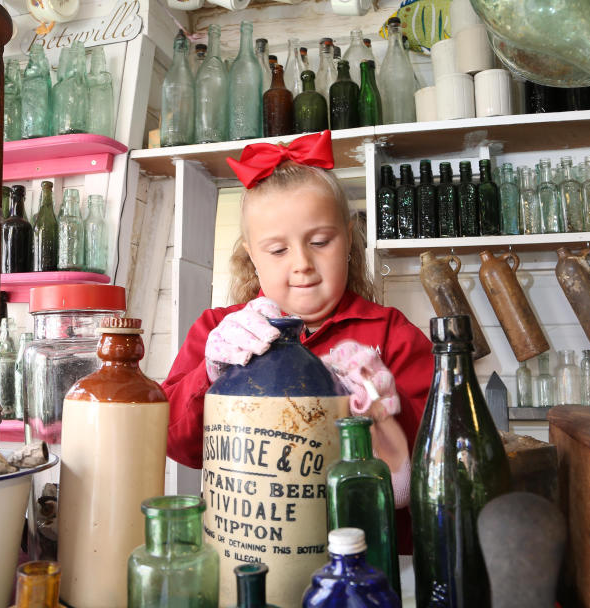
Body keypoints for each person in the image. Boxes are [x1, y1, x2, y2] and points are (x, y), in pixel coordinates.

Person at [161, 130, 433, 551]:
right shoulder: (218, 331)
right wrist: (211, 372)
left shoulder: (392, 333)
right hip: (252, 551)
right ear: (251, 255)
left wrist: (386, 411)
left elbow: (437, 456)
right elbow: (177, 443)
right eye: (277, 250)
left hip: (370, 557)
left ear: (348, 241)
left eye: (320, 242)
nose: (303, 264)